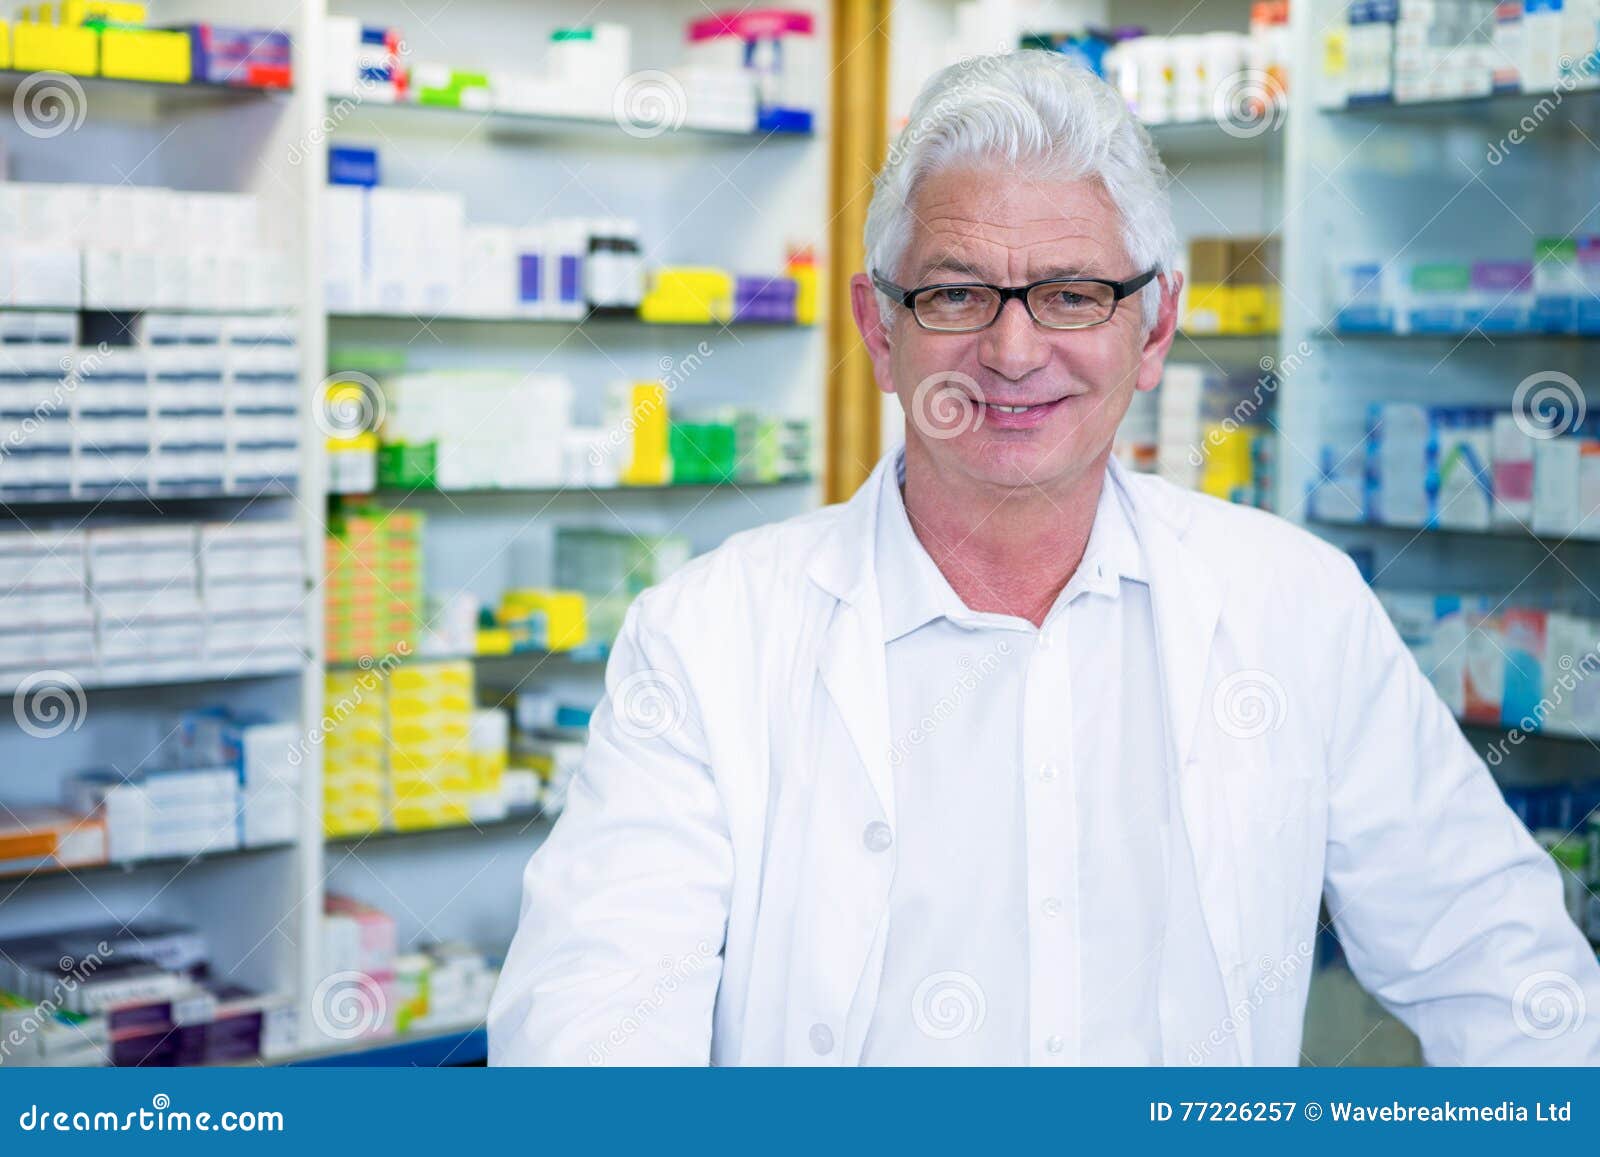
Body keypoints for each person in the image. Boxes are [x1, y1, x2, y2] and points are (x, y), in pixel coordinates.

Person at [489, 51, 1600, 1066]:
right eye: (956, 293)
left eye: (1072, 294)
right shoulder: (708, 635)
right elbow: (590, 1036)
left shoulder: (1294, 604)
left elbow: (1506, 974)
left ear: (1153, 328)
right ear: (879, 328)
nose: (1013, 352)